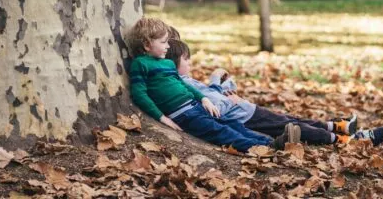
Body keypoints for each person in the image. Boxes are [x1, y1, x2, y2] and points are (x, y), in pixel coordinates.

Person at [165, 37, 383, 147]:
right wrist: (217, 82)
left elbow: (214, 98)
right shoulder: (181, 83)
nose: (191, 63)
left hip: (246, 110)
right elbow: (214, 105)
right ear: (174, 62)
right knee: (295, 127)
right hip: (244, 117)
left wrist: (225, 87)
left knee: (292, 119)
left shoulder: (183, 80)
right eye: (186, 59)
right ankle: (349, 140)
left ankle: (338, 126)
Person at [126, 17, 301, 153]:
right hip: (183, 115)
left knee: (233, 125)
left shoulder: (167, 64)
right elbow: (140, 94)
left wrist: (204, 99)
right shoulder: (141, 64)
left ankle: (272, 142)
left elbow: (184, 85)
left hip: (196, 106)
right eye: (163, 42)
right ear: (147, 44)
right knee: (221, 132)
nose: (167, 46)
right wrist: (162, 118)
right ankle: (263, 148)